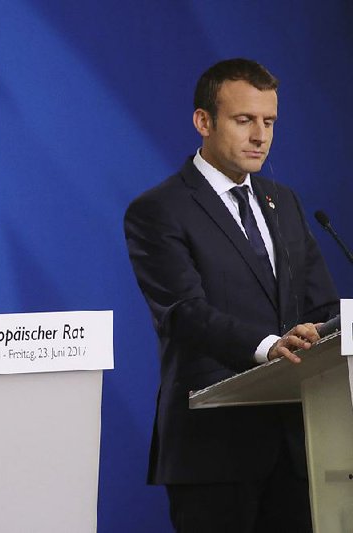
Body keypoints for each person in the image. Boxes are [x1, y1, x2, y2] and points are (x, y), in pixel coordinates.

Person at [124, 58, 338, 532]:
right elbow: (182, 312)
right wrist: (268, 346)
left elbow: (321, 304)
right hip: (213, 452)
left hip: (299, 444)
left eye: (269, 122)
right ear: (204, 121)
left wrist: (321, 330)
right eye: (244, 121)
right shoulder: (159, 210)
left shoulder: (283, 202)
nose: (260, 136)